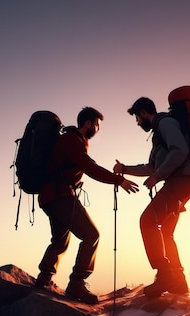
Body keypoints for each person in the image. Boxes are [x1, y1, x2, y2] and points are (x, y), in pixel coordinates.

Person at [34, 106, 139, 304]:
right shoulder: (72, 141)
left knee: (60, 240)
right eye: (97, 124)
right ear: (88, 123)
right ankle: (76, 284)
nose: (98, 129)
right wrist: (119, 181)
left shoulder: (71, 140)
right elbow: (91, 169)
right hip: (60, 196)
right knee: (91, 235)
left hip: (51, 197)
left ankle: (43, 279)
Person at [114, 96, 190, 298]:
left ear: (144, 113)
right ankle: (178, 281)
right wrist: (125, 169)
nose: (137, 123)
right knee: (166, 231)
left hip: (182, 181)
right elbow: (152, 167)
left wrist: (158, 176)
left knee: (147, 221)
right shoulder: (159, 132)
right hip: (187, 181)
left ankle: (165, 275)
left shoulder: (165, 123)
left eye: (137, 118)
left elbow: (180, 150)